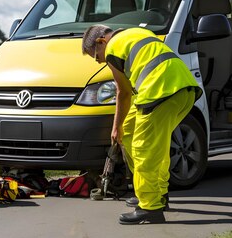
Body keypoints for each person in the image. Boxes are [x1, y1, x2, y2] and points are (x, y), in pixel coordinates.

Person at [82, 25, 202, 224]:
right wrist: (122, 127)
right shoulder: (137, 33)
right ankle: (158, 194)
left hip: (159, 92)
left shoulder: (112, 49)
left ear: (101, 41)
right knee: (143, 138)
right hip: (183, 90)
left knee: (143, 148)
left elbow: (123, 93)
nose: (98, 61)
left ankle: (149, 207)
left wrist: (115, 126)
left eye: (96, 55)